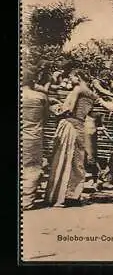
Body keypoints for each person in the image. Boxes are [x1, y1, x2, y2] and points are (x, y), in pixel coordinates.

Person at [45, 69, 99, 207]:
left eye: (71, 77)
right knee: (77, 161)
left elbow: (68, 110)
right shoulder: (91, 94)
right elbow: (90, 114)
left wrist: (54, 107)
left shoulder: (77, 90)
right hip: (80, 127)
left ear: (78, 77)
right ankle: (73, 195)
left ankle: (59, 196)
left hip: (70, 125)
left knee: (62, 158)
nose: (70, 80)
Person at [21, 67, 49, 210]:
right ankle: (26, 201)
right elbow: (46, 117)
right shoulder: (40, 97)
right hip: (33, 136)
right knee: (31, 168)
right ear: (32, 81)